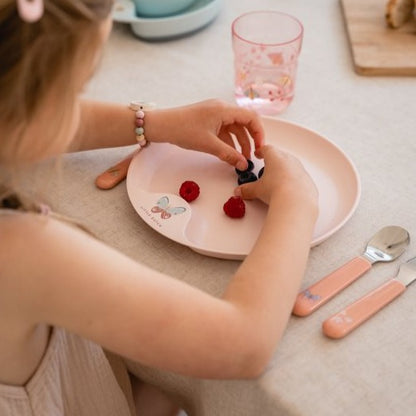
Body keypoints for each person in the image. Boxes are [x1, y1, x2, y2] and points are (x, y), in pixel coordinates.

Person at [0, 1, 318, 415]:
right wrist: (297, 200)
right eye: (74, 90)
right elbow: (243, 344)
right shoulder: (23, 255)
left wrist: (152, 122)